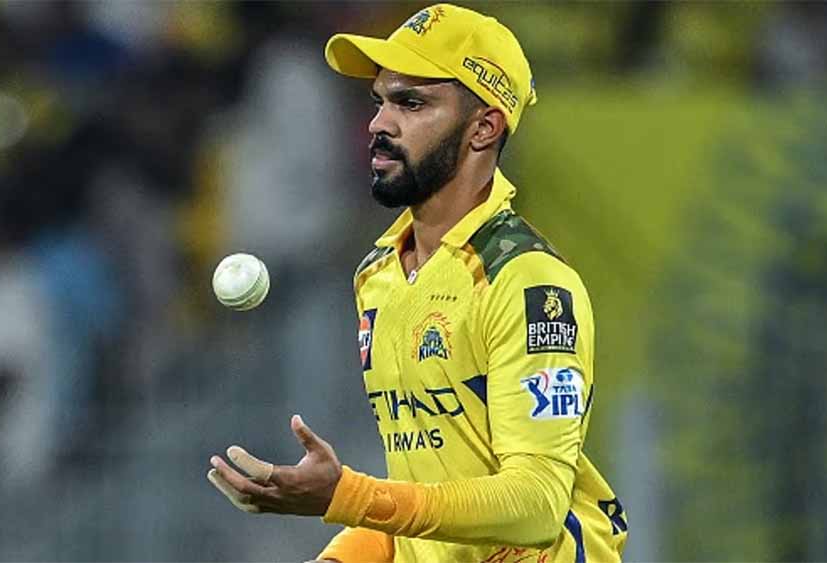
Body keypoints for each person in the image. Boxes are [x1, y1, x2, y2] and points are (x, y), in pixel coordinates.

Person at [207, 4, 628, 562]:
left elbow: (536, 503)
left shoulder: (527, 283)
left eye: (411, 103)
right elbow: (424, 495)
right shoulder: (379, 274)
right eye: (379, 101)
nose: (379, 124)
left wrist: (348, 496)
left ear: (484, 128)